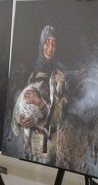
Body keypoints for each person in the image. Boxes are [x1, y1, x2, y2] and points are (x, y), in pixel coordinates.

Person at [11, 24, 68, 164]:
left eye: (54, 44)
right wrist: (22, 120)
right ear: (41, 44)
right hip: (29, 145)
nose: (50, 47)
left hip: (46, 148)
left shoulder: (59, 77)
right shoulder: (33, 74)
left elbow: (58, 117)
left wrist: (41, 103)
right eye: (47, 42)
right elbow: (24, 103)